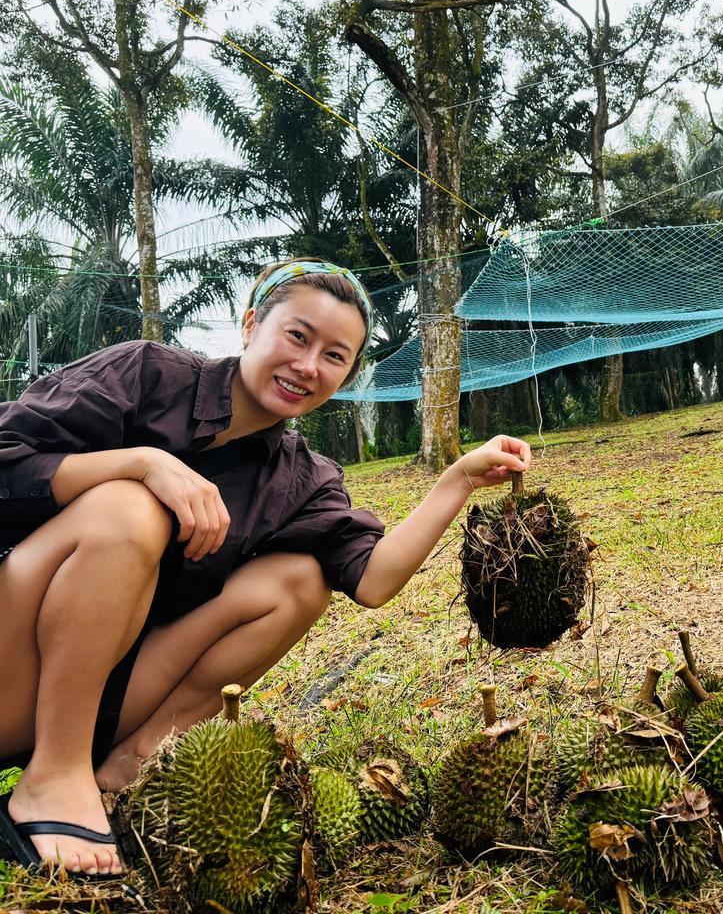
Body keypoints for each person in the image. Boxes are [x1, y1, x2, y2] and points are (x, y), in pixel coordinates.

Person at [0, 258, 531, 877]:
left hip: (106, 692)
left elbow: (374, 580)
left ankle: (121, 774)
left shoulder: (302, 479)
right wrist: (141, 463)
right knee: (130, 509)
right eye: (297, 336)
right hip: (12, 657)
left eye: (335, 356)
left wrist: (457, 480)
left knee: (301, 581)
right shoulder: (146, 374)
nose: (308, 366)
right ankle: (52, 777)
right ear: (251, 324)